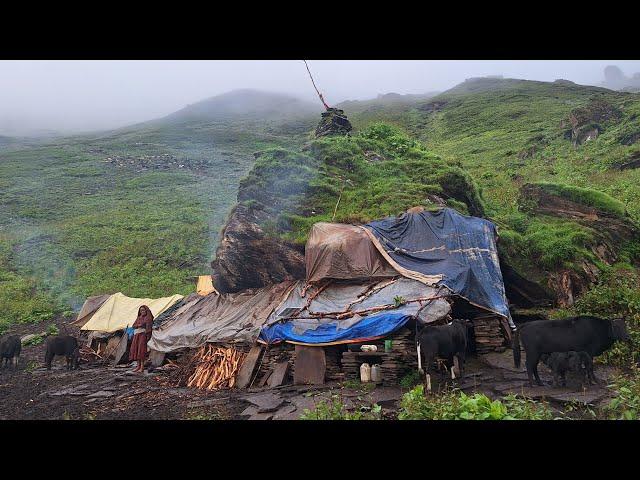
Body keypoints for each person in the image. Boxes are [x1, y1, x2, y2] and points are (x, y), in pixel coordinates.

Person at [129, 305, 154, 373]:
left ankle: (142, 367)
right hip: (137, 335)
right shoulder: (139, 318)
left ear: (146, 310)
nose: (142, 311)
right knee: (136, 350)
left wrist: (147, 335)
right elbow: (133, 325)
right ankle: (138, 366)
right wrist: (138, 325)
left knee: (141, 350)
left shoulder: (148, 318)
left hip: (143, 335)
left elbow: (149, 328)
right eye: (141, 310)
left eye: (143, 310)